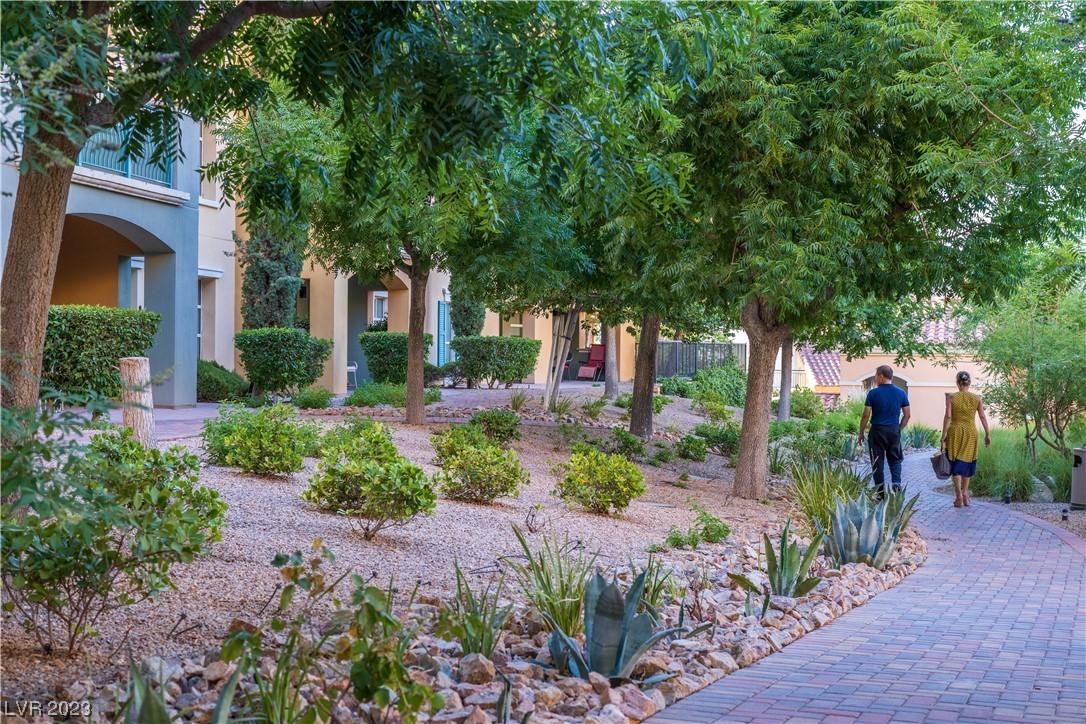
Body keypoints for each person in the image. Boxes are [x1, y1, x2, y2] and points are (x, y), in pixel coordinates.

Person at [857, 365, 911, 495]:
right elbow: (907, 415)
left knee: (877, 462)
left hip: (877, 431)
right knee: (895, 459)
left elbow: (866, 415)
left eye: (876, 375)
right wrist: (898, 429)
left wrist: (861, 432)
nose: (875, 378)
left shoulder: (873, 393)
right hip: (893, 430)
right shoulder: (901, 393)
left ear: (881, 376)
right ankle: (896, 482)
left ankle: (880, 494)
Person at [941, 370, 991, 507]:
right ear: (969, 383)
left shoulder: (951, 397)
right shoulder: (977, 398)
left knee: (955, 463)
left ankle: (958, 496)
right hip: (970, 431)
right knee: (967, 462)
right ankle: (966, 494)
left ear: (957, 383)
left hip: (955, 431)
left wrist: (943, 436)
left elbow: (948, 417)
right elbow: (982, 417)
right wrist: (987, 434)